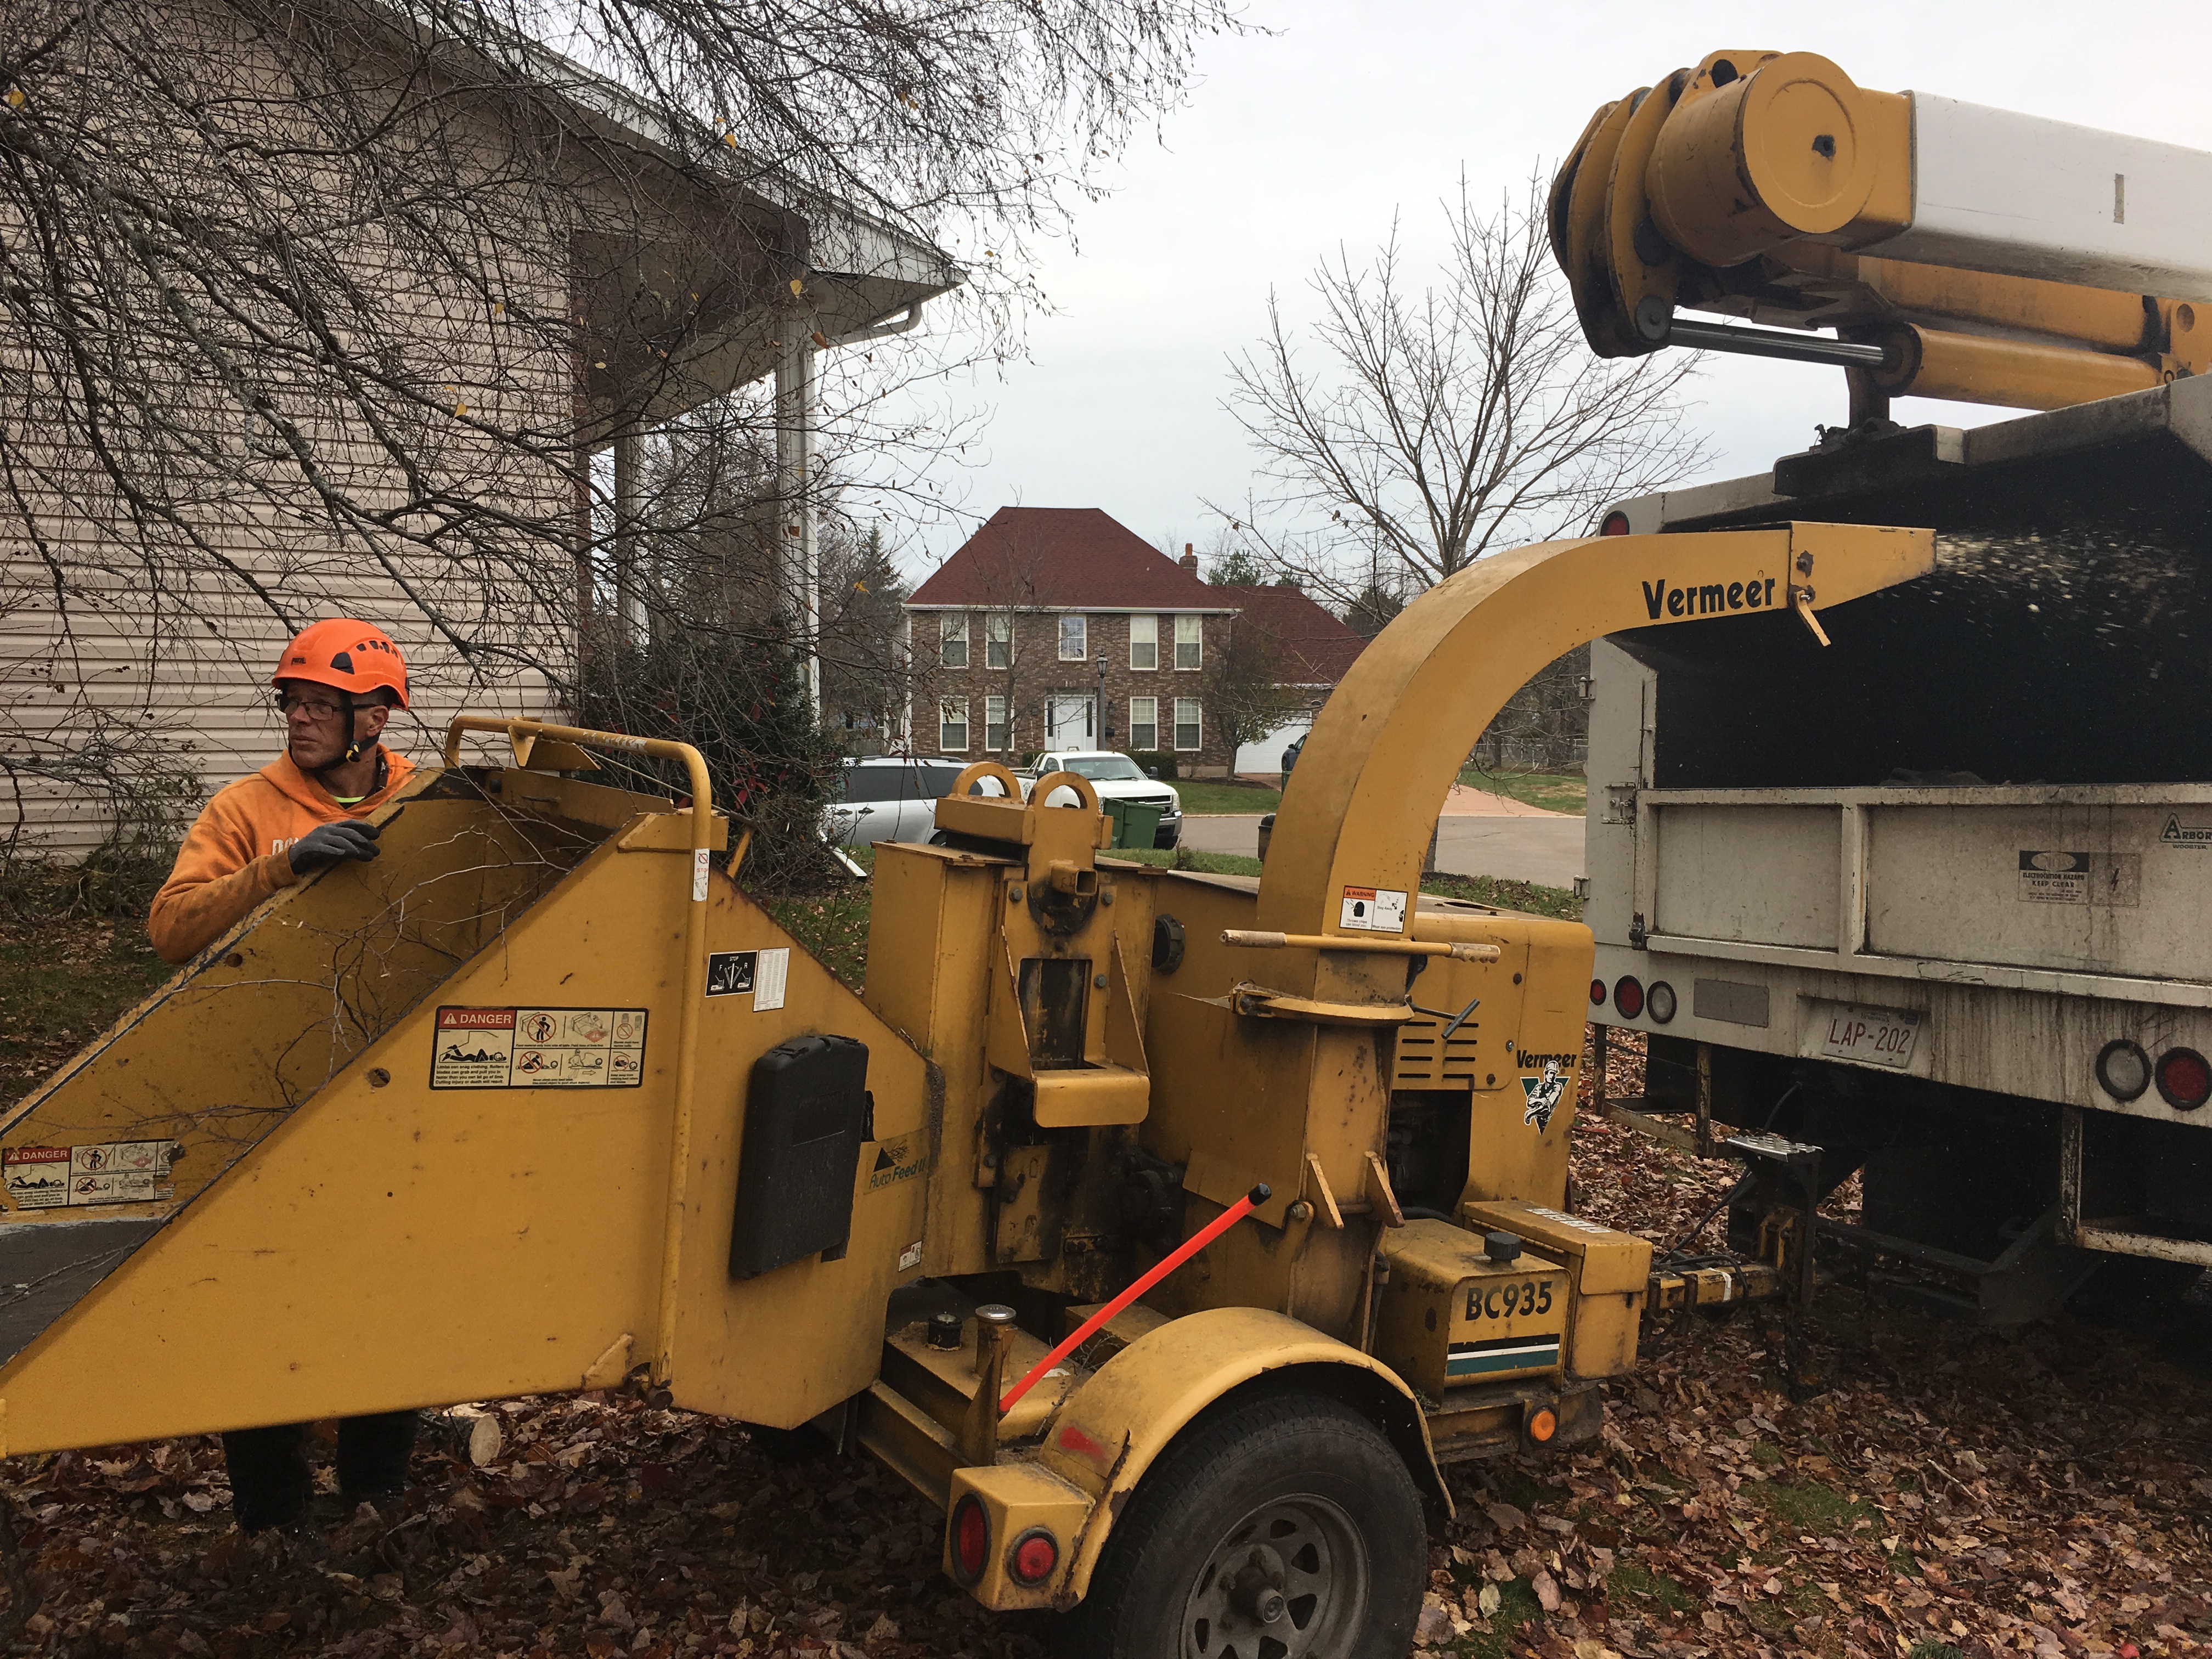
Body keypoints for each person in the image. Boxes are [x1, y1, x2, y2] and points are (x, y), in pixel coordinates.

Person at [149, 618, 421, 1534]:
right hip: (267, 1082)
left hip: (388, 1083)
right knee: (263, 1291)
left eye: (318, 706)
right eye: (293, 703)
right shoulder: (245, 811)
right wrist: (279, 869)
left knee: (391, 1284)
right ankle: (273, 1514)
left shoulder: (424, 803)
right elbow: (172, 928)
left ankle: (378, 1490)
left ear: (373, 720)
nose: (298, 720)